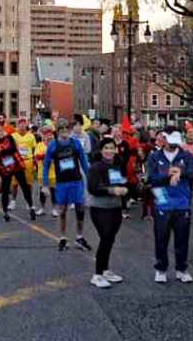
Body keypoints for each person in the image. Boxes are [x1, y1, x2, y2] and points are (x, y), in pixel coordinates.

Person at [147, 130, 193, 284]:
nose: (173, 143)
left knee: (182, 239)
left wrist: (179, 173)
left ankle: (181, 269)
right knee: (161, 237)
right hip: (162, 202)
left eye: (176, 139)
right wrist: (167, 175)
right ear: (163, 139)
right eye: (170, 140)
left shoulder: (186, 156)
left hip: (182, 202)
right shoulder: (154, 157)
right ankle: (161, 269)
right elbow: (151, 178)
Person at [41, 120, 91, 251]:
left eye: (66, 128)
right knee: (62, 211)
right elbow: (45, 166)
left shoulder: (76, 144)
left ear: (69, 130)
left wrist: (90, 178)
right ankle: (63, 238)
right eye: (61, 129)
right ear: (57, 131)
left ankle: (79, 237)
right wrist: (45, 185)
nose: (64, 131)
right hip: (62, 183)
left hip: (76, 181)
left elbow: (84, 163)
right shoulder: (52, 145)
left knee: (80, 210)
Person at [87, 138, 129, 288]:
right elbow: (93, 188)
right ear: (101, 150)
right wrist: (111, 190)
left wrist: (125, 188)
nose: (109, 151)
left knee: (110, 239)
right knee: (105, 238)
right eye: (106, 148)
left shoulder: (118, 165)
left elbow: (123, 182)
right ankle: (97, 274)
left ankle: (105, 270)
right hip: (99, 208)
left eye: (112, 148)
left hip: (115, 207)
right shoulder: (96, 167)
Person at [0, 126, 35, 221]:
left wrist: (0, 152)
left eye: (0, 130)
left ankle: (31, 206)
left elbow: (12, 149)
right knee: (5, 189)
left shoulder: (9, 138)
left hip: (16, 165)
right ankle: (5, 212)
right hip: (6, 168)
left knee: (24, 186)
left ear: (3, 131)